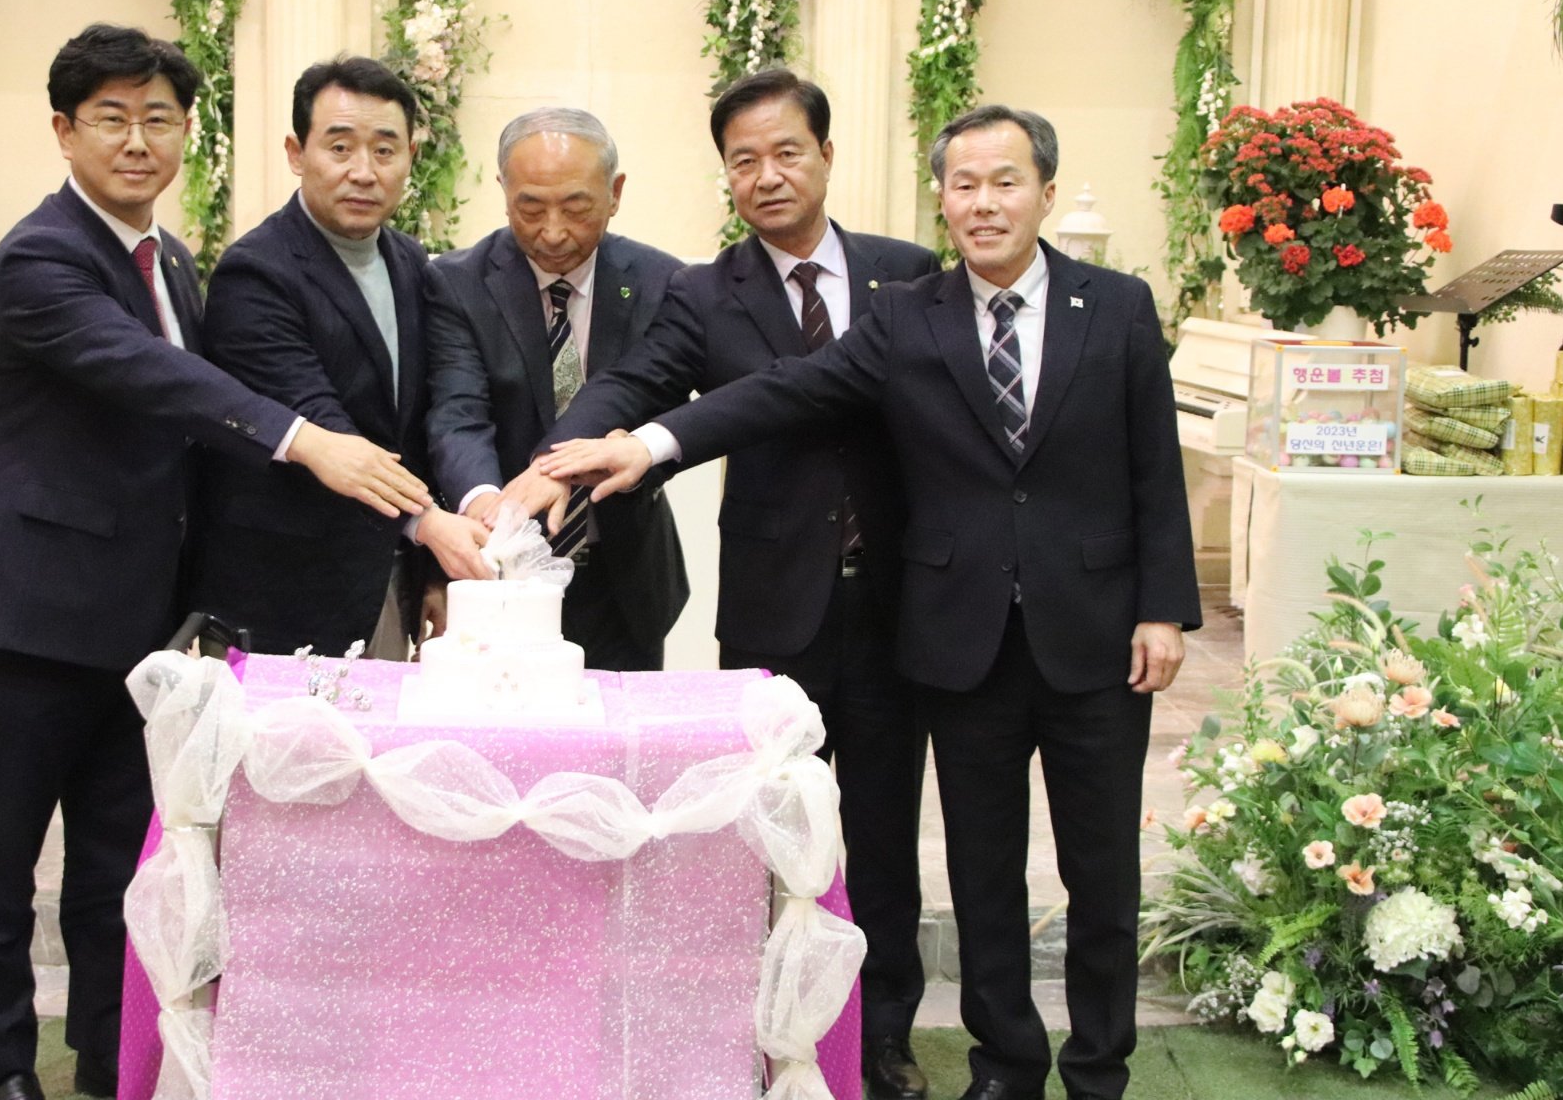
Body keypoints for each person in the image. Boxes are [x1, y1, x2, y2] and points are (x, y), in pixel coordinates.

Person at [543, 104, 1202, 1100]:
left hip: (1096, 632)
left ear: (1045, 191)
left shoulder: (1114, 305)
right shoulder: (909, 312)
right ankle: (1006, 1065)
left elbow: (1155, 463)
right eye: (965, 185)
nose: (985, 203)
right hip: (964, 637)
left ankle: (1100, 1069)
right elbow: (785, 391)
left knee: (1103, 875)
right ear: (942, 199)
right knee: (983, 871)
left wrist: (1164, 607)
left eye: (1006, 182)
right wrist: (650, 443)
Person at [0, 25, 429, 1100]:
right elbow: (152, 376)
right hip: (36, 606)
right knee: (1, 849)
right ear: (65, 130)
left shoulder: (171, 261)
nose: (137, 141)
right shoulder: (39, 258)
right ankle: (1, 1066)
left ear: (186, 135)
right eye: (112, 118)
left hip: (143, 615)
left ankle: (105, 1054)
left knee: (120, 851)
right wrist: (304, 437)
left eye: (159, 119)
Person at [510, 69, 937, 1099]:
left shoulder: (909, 275)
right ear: (726, 178)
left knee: (884, 832)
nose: (767, 175)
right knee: (765, 829)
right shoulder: (705, 294)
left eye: (787, 151)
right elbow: (631, 382)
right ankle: (763, 1025)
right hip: (775, 601)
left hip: (900, 598)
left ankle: (882, 1032)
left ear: (827, 154)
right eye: (744, 160)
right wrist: (556, 460)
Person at [187, 56, 488, 659]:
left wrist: (433, 571)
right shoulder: (255, 272)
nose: (363, 172)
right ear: (296, 153)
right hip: (282, 594)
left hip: (386, 578)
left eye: (385, 150)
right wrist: (430, 525)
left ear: (410, 157)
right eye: (340, 148)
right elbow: (321, 422)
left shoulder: (410, 261)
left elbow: (419, 426)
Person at [425, 107, 687, 670]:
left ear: (615, 193)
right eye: (530, 208)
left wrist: (618, 451)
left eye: (575, 208)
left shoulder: (663, 282)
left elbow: (664, 414)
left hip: (624, 575)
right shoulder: (456, 282)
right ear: (503, 190)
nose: (552, 231)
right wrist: (489, 506)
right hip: (496, 574)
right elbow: (457, 413)